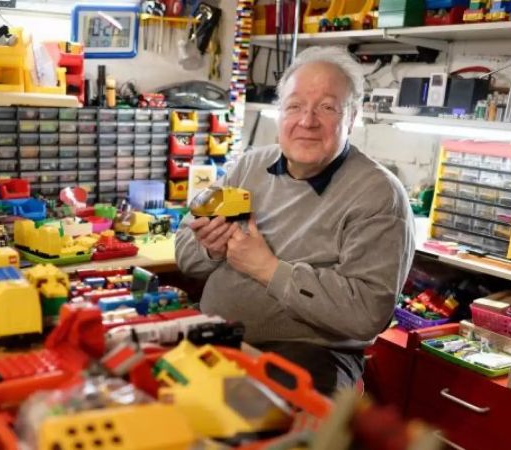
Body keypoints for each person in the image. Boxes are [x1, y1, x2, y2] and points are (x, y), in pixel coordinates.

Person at [175, 47, 415, 396]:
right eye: (295, 106)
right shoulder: (248, 166)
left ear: (352, 117)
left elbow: (367, 313)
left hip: (312, 355)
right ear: (279, 113)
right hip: (219, 338)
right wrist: (208, 248)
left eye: (327, 107)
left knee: (261, 430)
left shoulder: (378, 195)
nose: (307, 121)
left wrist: (269, 270)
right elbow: (185, 249)